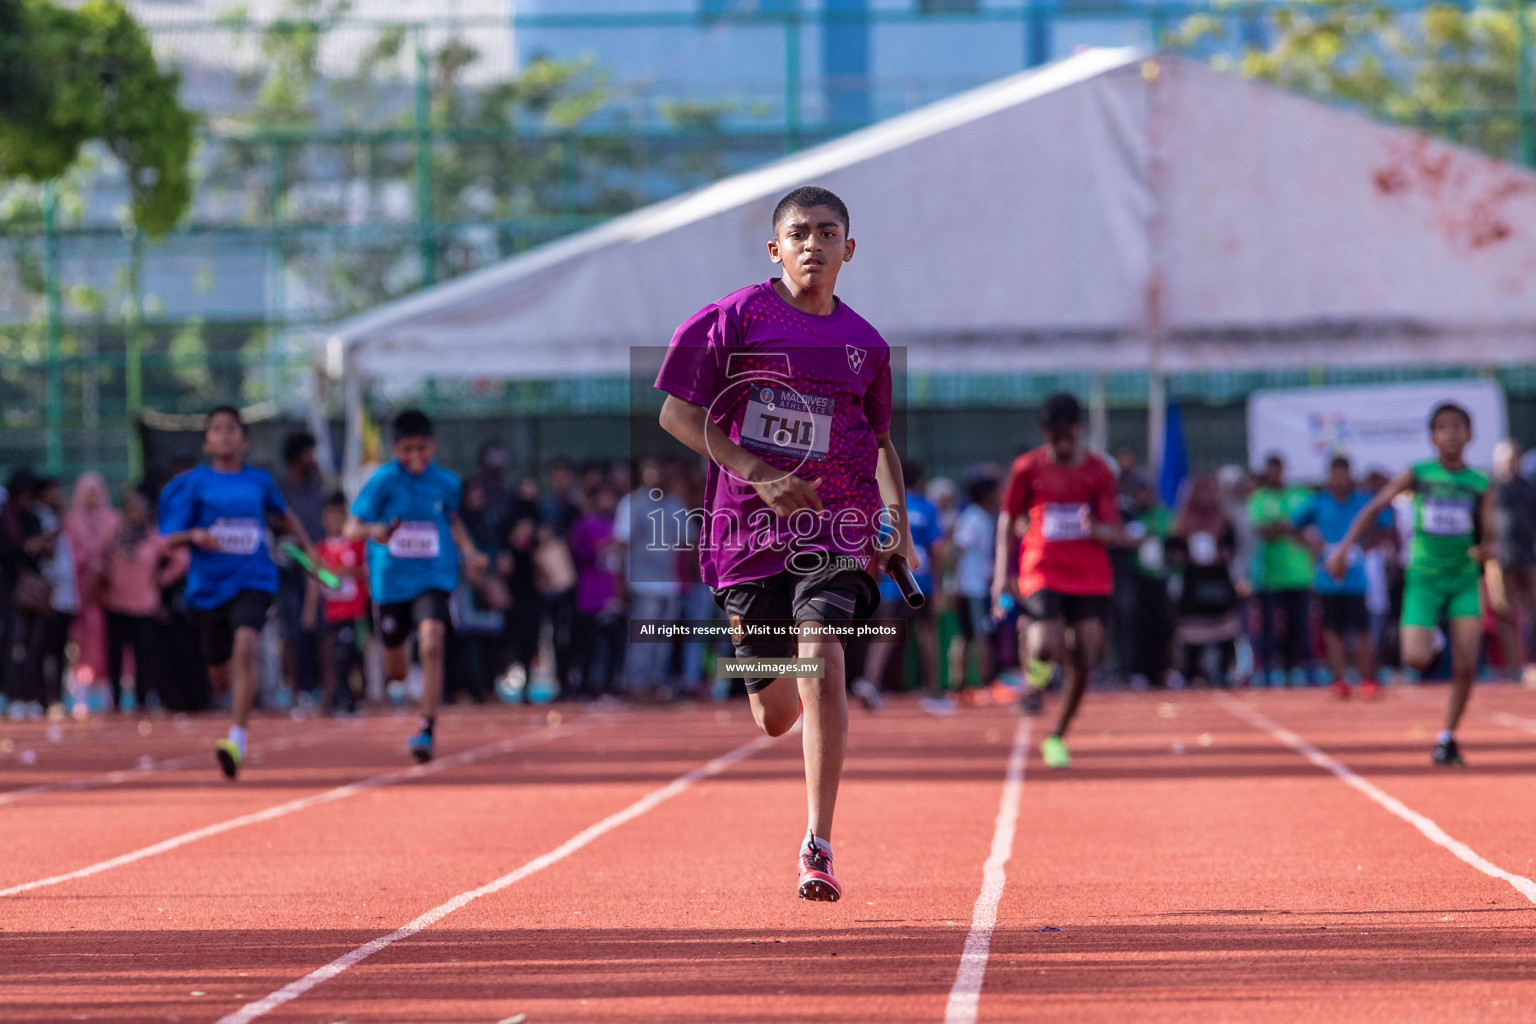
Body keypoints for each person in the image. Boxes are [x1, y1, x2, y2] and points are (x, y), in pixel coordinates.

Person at [654, 185, 914, 902]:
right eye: (798, 232)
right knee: (773, 716)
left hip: (838, 527)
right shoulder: (733, 320)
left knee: (821, 650)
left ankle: (818, 839)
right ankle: (798, 691)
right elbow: (677, 413)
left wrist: (900, 525)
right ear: (775, 248)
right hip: (745, 535)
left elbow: (883, 443)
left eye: (827, 233)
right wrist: (756, 471)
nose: (813, 244)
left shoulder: (865, 345)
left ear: (848, 249)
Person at [1329, 403, 1496, 766]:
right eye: (1442, 427)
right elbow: (1374, 508)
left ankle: (1447, 736)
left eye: (1457, 427)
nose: (1450, 433)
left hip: (1463, 580)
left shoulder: (1480, 483)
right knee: (1414, 658)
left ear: (1470, 436)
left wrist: (1486, 549)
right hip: (1423, 579)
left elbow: (1491, 533)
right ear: (1432, 437)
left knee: (1466, 665)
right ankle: (1433, 631)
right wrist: (1344, 549)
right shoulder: (1418, 474)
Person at [159, 406, 318, 778]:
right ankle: (227, 694)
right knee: (219, 673)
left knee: (246, 644)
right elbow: (169, 538)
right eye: (217, 429)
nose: (225, 435)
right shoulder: (193, 483)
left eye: (232, 429)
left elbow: (285, 516)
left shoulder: (259, 481)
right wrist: (195, 536)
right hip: (209, 587)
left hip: (253, 578)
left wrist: (311, 552)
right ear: (206, 441)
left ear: (244, 440)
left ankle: (237, 738)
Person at [347, 409, 487, 762]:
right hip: (391, 583)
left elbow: (452, 520)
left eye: (422, 449)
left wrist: (469, 552)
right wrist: (373, 532)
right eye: (407, 450)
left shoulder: (447, 483)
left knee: (432, 642)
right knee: (396, 670)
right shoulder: (382, 481)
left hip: (434, 576)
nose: (415, 457)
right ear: (395, 449)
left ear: (434, 445)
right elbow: (352, 527)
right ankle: (406, 677)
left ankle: (426, 729)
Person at [992, 393, 1121, 769]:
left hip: (1089, 574)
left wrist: (1096, 528)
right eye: (1055, 437)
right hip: (1042, 567)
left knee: (1087, 652)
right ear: (1045, 433)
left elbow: (1111, 527)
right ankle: (1034, 663)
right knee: (1047, 643)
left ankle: (1057, 735)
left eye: (1068, 436)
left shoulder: (1099, 471)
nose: (1062, 444)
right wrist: (1002, 575)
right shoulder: (1027, 468)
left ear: (1080, 431)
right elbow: (1006, 520)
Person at [1293, 455, 1391, 699]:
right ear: (1328, 477)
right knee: (1332, 629)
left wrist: (1368, 545)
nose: (1339, 480)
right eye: (1334, 474)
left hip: (1356, 575)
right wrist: (1312, 547)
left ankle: (1367, 677)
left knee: (1362, 629)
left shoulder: (1362, 501)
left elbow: (1387, 522)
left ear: (1350, 475)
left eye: (1343, 474)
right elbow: (1292, 524)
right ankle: (1340, 680)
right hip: (1328, 576)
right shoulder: (1318, 502)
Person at [853, 463, 943, 712]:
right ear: (919, 482)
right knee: (927, 635)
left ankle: (870, 683)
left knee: (886, 634)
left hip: (891, 582)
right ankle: (933, 692)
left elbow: (871, 548)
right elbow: (936, 550)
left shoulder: (883, 509)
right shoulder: (927, 507)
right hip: (921, 583)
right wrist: (937, 587)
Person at [103, 487, 184, 712]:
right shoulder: (114, 533)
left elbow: (181, 559)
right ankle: (115, 700)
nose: (135, 514)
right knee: (115, 655)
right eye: (131, 509)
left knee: (143, 656)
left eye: (139, 509)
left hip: (144, 605)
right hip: (115, 603)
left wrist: (160, 580)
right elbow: (99, 557)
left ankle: (141, 699)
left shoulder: (153, 536)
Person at [614, 457, 686, 700]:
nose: (657, 475)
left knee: (663, 640)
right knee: (643, 638)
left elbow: (688, 542)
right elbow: (621, 544)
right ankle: (635, 684)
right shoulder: (632, 503)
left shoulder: (676, 504)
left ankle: (655, 683)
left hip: (670, 584)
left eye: (661, 470)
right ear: (643, 474)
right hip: (642, 582)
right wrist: (622, 581)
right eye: (651, 470)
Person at [1166, 474, 1243, 687]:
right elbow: (1171, 552)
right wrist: (1186, 556)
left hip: (1218, 584)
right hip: (1193, 586)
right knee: (1192, 635)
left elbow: (1232, 548)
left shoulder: (1224, 521)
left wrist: (1220, 555)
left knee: (1225, 634)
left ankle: (1225, 673)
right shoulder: (1181, 522)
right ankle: (1192, 675)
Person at [1248, 454, 1317, 687]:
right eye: (1270, 470)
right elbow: (1263, 530)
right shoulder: (1259, 498)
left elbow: (1312, 530)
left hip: (1300, 575)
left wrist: (1282, 527)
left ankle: (1306, 672)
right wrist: (1289, 527)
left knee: (1301, 627)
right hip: (1270, 576)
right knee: (1269, 629)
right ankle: (1267, 672)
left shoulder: (1302, 495)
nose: (1274, 474)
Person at [305, 492, 369, 715]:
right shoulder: (320, 550)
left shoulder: (355, 545)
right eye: (330, 516)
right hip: (332, 613)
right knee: (333, 656)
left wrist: (346, 572)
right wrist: (310, 610)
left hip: (354, 612)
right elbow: (315, 581)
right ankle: (336, 697)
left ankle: (350, 698)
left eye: (338, 515)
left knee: (351, 656)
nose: (334, 520)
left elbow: (367, 573)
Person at [276, 431, 325, 708]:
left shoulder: (315, 485)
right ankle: (293, 691)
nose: (313, 459)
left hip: (314, 564)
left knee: (318, 626)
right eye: (309, 452)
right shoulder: (280, 486)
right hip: (287, 564)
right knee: (290, 628)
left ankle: (319, 689)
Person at [569, 485, 627, 700]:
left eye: (610, 498)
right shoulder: (583, 525)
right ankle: (583, 686)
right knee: (587, 644)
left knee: (614, 643)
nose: (607, 503)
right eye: (602, 498)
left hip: (611, 592)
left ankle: (610, 686)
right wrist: (604, 548)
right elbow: (581, 555)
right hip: (589, 593)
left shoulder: (616, 525)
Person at [1117, 471, 1174, 689]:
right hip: (1134, 578)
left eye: (1148, 492)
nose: (1145, 496)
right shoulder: (1127, 514)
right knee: (1135, 626)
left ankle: (1159, 671)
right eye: (1141, 492)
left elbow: (1172, 538)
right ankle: (1134, 671)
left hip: (1159, 577)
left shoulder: (1162, 514)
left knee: (1161, 625)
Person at [63, 472, 117, 694]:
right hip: (77, 591)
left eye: (96, 491)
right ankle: (78, 685)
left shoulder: (113, 520)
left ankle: (108, 685)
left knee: (107, 635)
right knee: (79, 636)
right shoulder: (71, 521)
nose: (92, 496)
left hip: (108, 591)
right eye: (88, 491)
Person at [948, 475, 1000, 703]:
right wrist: (953, 585)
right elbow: (956, 551)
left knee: (966, 636)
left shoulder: (981, 518)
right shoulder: (974, 519)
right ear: (987, 494)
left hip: (974, 587)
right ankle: (983, 684)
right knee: (979, 636)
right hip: (972, 588)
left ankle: (960, 685)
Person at [1486, 440, 1536, 681]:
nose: (1510, 465)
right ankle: (1513, 666)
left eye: (1514, 460)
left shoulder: (1529, 488)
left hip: (1529, 558)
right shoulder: (1490, 490)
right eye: (1505, 461)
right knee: (1506, 614)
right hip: (1501, 559)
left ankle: (1532, 663)